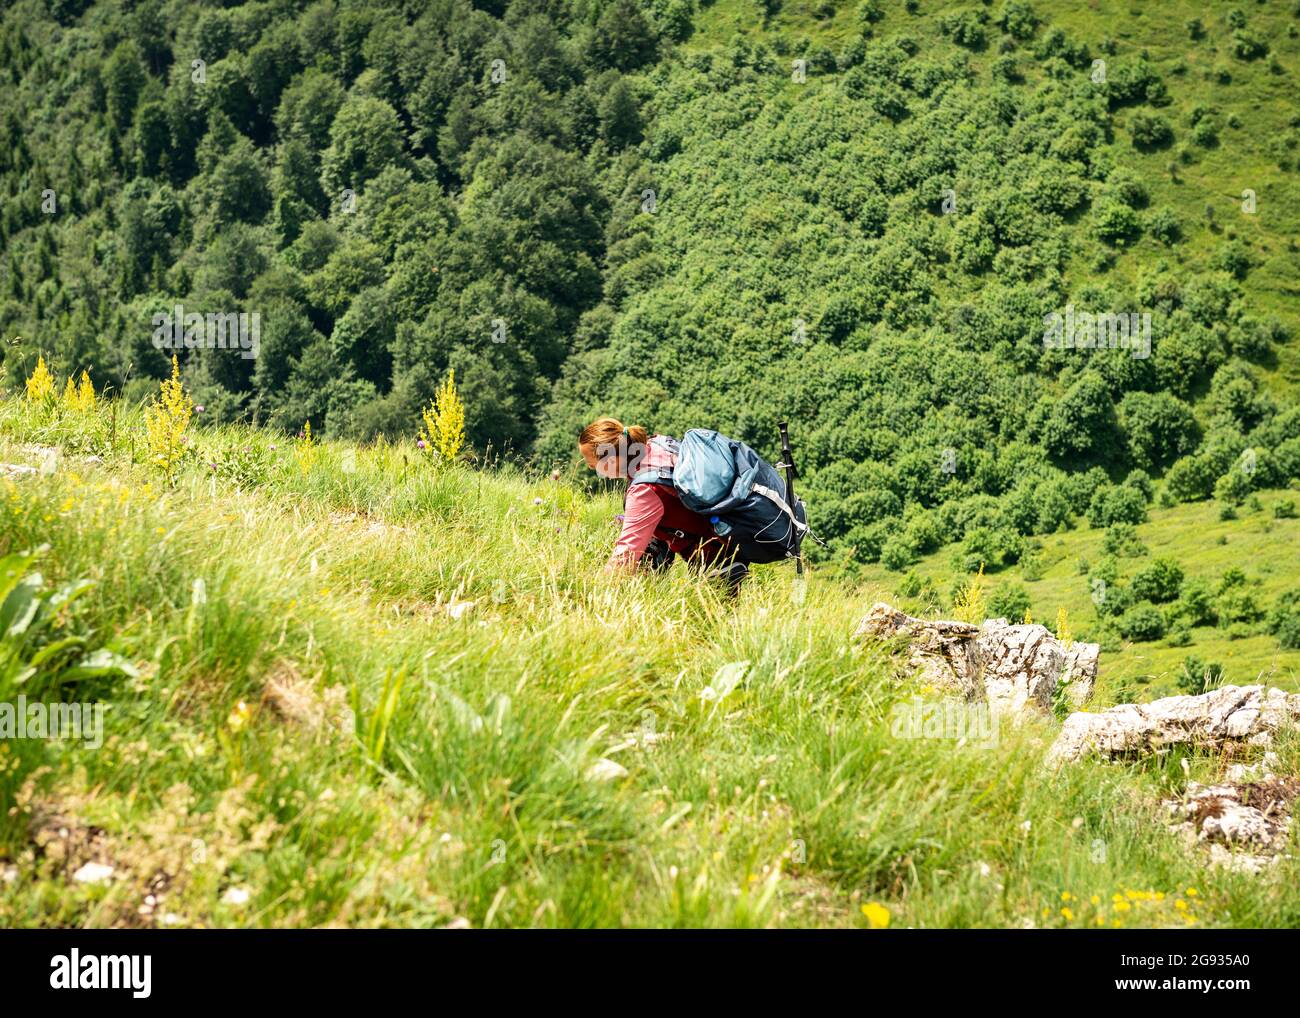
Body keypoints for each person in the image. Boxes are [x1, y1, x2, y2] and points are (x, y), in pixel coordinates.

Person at [578, 417, 749, 592]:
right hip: (727, 531)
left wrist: (597, 593)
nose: (591, 467)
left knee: (711, 615)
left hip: (713, 556)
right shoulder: (655, 445)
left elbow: (627, 553)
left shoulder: (644, 490)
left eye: (592, 463)